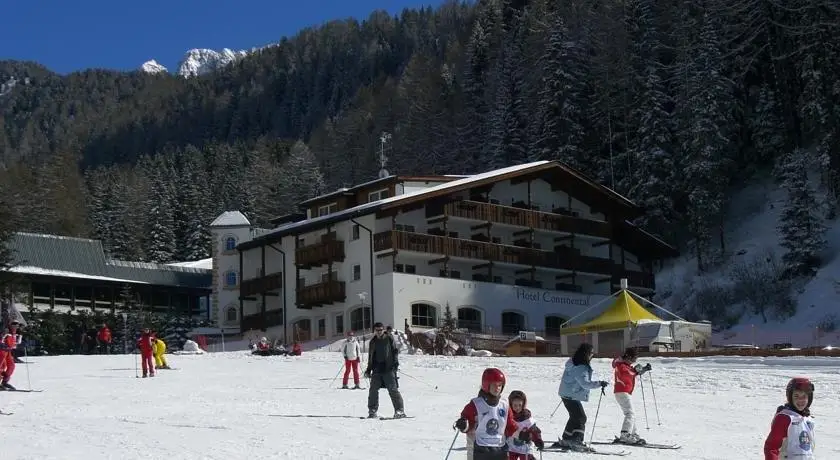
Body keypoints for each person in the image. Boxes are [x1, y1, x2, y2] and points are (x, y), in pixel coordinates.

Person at [453, 368, 521, 460]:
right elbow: (468, 422)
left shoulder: (504, 404)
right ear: (486, 385)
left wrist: (522, 435)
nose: (497, 388)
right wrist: (464, 424)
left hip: (500, 448)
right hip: (480, 449)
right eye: (494, 385)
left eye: (500, 385)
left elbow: (510, 425)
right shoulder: (476, 404)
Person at [552, 343, 608, 451]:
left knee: (575, 416)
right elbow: (585, 383)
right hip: (571, 395)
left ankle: (567, 438)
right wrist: (599, 383)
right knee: (581, 417)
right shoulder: (581, 367)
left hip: (567, 393)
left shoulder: (572, 362)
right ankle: (577, 440)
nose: (592, 355)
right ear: (586, 354)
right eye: (591, 353)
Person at [764, 377, 815, 459]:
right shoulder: (784, 418)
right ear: (790, 397)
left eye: (804, 396)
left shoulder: (808, 419)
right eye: (796, 396)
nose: (800, 400)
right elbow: (771, 447)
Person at [364, 322, 405, 418]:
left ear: (383, 330)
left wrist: (395, 364)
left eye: (381, 330)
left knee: (393, 390)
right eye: (377, 330)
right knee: (373, 390)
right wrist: (368, 369)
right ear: (374, 331)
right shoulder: (373, 342)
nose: (379, 332)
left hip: (388, 368)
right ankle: (372, 411)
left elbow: (395, 352)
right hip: (376, 369)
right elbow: (370, 356)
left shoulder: (389, 338)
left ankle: (399, 410)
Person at [612, 347, 651, 445]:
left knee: (631, 414)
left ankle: (633, 434)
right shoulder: (620, 365)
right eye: (633, 359)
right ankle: (625, 434)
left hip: (624, 392)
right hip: (622, 392)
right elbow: (628, 373)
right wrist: (638, 371)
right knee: (630, 414)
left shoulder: (626, 365)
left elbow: (632, 372)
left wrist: (644, 369)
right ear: (628, 357)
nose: (634, 361)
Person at [506, 390, 544, 460]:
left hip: (525, 446)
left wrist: (538, 440)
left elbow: (535, 430)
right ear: (511, 405)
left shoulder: (527, 418)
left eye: (520, 405)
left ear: (523, 404)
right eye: (515, 405)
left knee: (527, 457)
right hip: (511, 446)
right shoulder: (508, 416)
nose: (517, 408)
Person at [0, 322, 20, 390]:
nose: (16, 327)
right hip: (2, 351)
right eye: (14, 326)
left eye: (17, 326)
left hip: (8, 351)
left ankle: (4, 381)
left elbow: (13, 343)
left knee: (11, 366)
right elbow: (2, 340)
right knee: (1, 366)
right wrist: (3, 345)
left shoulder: (14, 333)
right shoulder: (6, 331)